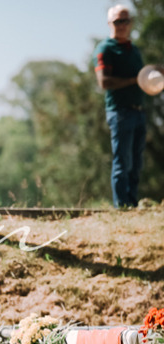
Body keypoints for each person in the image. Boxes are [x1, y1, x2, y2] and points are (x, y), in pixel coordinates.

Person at [95, 5, 146, 208]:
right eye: (117, 21)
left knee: (136, 161)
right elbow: (104, 82)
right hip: (120, 112)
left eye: (125, 21)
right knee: (122, 161)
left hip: (139, 111)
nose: (122, 25)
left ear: (131, 23)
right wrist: (135, 80)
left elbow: (145, 77)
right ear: (110, 23)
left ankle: (132, 203)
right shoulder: (105, 49)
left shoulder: (134, 50)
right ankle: (122, 206)